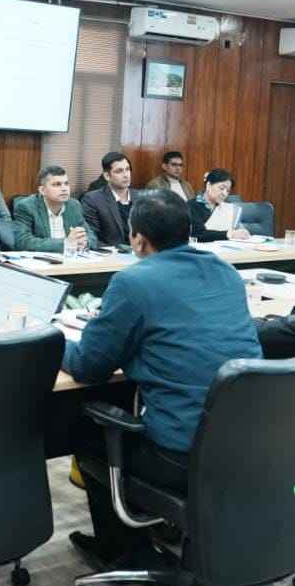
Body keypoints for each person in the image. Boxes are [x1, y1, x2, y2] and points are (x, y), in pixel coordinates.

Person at [63, 189, 262, 564]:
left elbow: (90, 366)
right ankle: (165, 525)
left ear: (138, 239)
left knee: (85, 432)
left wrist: (54, 341)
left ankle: (126, 553)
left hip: (182, 455)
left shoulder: (133, 282)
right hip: (248, 443)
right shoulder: (226, 273)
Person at [13, 166, 97, 253]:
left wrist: (84, 242)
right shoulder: (26, 207)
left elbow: (92, 237)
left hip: (71, 258)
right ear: (42, 190)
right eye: (57, 184)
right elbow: (23, 242)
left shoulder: (74, 206)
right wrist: (66, 243)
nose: (64, 189)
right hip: (42, 259)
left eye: (66, 183)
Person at [81, 152, 139, 247]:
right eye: (119, 171)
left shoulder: (142, 198)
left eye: (127, 169)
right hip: (110, 253)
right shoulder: (93, 200)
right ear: (107, 176)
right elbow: (92, 237)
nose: (126, 175)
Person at [186, 168, 250, 242]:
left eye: (228, 191)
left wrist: (242, 232)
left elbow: (236, 229)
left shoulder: (227, 208)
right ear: (208, 185)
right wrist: (228, 234)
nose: (224, 194)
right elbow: (198, 234)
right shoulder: (192, 206)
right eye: (221, 188)